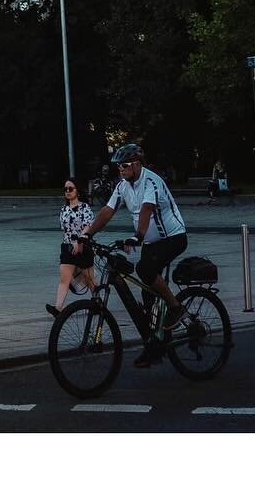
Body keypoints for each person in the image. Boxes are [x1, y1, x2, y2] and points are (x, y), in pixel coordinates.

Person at [83, 142, 189, 367]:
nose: (121, 169)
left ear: (137, 164)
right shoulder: (123, 186)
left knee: (144, 270)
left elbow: (146, 210)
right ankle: (154, 344)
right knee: (147, 294)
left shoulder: (151, 181)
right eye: (119, 166)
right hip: (151, 242)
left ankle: (176, 308)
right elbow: (107, 210)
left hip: (172, 238)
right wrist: (87, 233)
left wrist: (137, 237)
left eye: (125, 165)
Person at [55, 175, 96, 312]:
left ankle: (98, 303)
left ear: (77, 191)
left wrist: (80, 241)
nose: (67, 191)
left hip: (82, 246)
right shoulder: (64, 210)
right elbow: (65, 230)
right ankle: (58, 308)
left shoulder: (85, 207)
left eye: (70, 188)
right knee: (64, 280)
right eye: (65, 189)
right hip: (67, 247)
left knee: (89, 279)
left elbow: (87, 225)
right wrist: (71, 243)